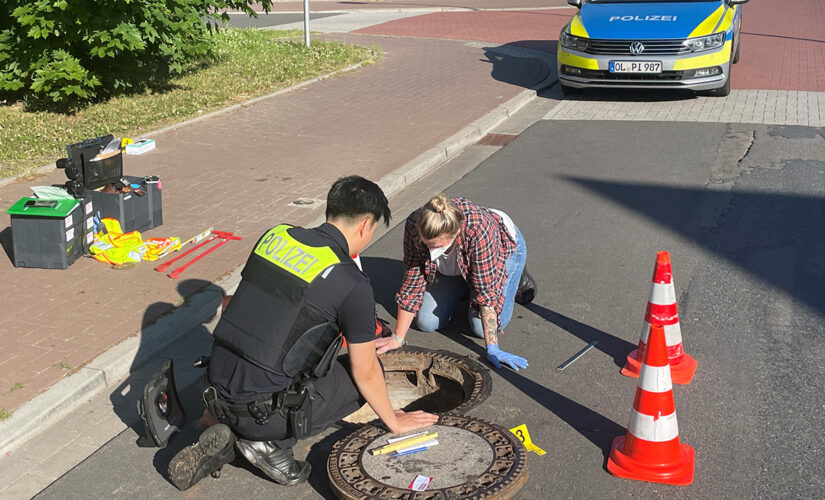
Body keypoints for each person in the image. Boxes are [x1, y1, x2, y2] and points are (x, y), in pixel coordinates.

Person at [168, 176, 439, 490]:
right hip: (261, 413)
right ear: (366, 225)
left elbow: (239, 305)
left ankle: (223, 422)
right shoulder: (351, 282)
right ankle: (268, 444)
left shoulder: (275, 236)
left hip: (215, 389)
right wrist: (394, 421)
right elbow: (364, 371)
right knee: (367, 371)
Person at [375, 194, 536, 370]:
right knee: (427, 322)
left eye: (437, 246)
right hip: (456, 262)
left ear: (456, 232)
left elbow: (487, 294)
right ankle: (467, 280)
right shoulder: (415, 223)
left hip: (501, 248)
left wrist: (493, 348)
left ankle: (514, 275)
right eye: (427, 244)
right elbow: (412, 281)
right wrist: (397, 338)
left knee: (479, 329)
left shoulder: (479, 231)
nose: (431, 251)